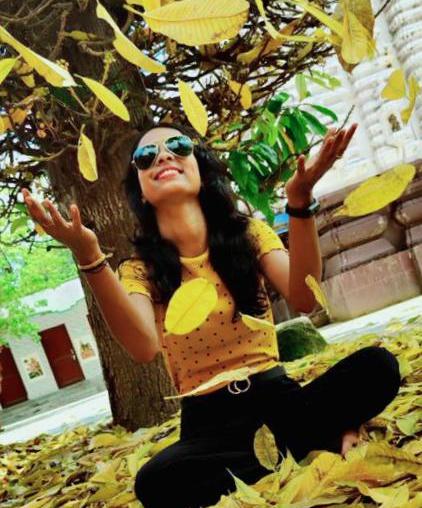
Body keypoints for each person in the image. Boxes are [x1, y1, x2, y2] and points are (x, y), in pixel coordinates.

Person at [22, 121, 401, 508]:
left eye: (178, 146)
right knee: (155, 483)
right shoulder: (139, 270)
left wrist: (299, 201)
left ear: (200, 168)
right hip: (209, 425)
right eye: (146, 156)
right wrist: (89, 258)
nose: (164, 156)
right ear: (141, 191)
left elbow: (304, 297)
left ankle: (284, 450)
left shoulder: (249, 234)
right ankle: (312, 441)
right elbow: (142, 347)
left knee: (378, 365)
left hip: (278, 400)